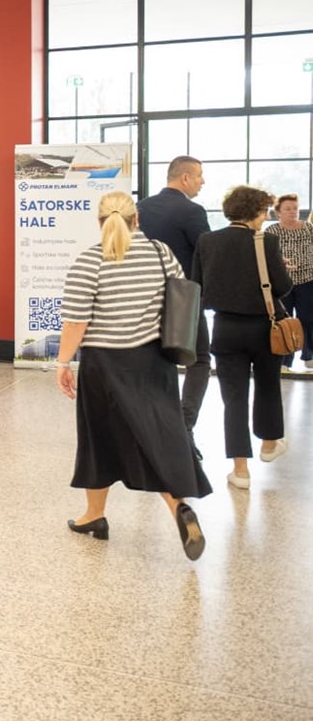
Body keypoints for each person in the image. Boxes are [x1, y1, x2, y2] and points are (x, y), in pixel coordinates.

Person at [54, 191, 210, 561]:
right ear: (136, 219)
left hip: (104, 366)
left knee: (99, 439)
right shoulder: (160, 253)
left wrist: (62, 363)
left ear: (99, 222)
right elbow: (179, 298)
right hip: (155, 362)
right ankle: (176, 507)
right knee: (157, 435)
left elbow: (76, 321)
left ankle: (95, 514)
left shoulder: (90, 261)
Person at [192, 186, 293, 490]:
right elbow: (283, 287)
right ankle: (269, 445)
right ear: (256, 211)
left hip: (225, 328)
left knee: (233, 398)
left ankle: (240, 471)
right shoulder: (266, 241)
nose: (266, 216)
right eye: (264, 210)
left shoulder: (207, 241)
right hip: (265, 328)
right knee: (268, 386)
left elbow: (196, 285)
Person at [136, 156, 210, 454]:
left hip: (144, 298)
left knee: (153, 361)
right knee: (199, 360)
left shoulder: (141, 207)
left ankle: (151, 428)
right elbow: (206, 254)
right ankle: (184, 426)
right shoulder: (192, 211)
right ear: (185, 178)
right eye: (199, 176)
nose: (202, 182)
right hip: (184, 300)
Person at [265, 193, 313, 370]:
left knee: (308, 318)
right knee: (284, 320)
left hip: (308, 280)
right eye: (288, 209)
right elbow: (267, 256)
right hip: (282, 282)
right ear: (278, 212)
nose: (293, 212)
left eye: (295, 208)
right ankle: (285, 360)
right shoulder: (271, 231)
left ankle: (309, 355)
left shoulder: (308, 228)